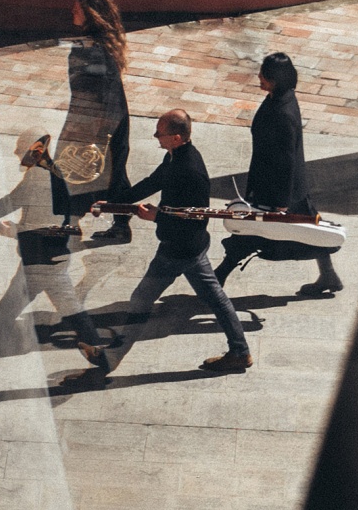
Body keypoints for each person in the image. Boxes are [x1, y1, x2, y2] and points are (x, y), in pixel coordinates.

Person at [73, 110, 251, 381]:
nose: (155, 136)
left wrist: (158, 216)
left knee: (141, 299)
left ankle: (110, 358)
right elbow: (153, 182)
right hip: (190, 247)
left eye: (160, 133)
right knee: (214, 297)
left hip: (179, 249)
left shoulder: (190, 170)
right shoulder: (176, 157)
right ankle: (240, 351)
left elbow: (194, 221)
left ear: (176, 137)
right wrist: (112, 202)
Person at [0, 129, 109, 385]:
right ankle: (101, 358)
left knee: (3, 315)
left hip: (39, 263)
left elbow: (39, 225)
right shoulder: (48, 173)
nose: (17, 152)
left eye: (21, 147)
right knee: (71, 310)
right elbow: (12, 202)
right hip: (54, 259)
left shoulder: (39, 178)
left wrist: (13, 232)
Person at [214, 53, 343, 295]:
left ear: (276, 79)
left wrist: (281, 203)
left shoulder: (283, 113)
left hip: (280, 192)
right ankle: (329, 276)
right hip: (276, 185)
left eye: (265, 75)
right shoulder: (279, 98)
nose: (259, 78)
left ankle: (217, 277)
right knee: (308, 233)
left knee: (258, 232)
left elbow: (286, 162)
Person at [51, 0, 132, 242]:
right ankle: (120, 224)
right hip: (111, 116)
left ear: (89, 13)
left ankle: (71, 222)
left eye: (77, 8)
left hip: (95, 119)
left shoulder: (92, 49)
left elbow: (96, 89)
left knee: (70, 166)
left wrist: (90, 129)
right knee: (114, 170)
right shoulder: (100, 42)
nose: (72, 11)